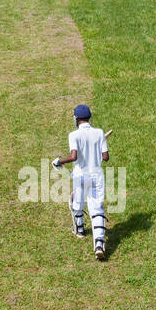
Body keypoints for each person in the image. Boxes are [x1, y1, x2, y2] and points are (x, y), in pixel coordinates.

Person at [51, 104, 110, 260]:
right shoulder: (99, 133)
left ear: (76, 119)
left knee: (76, 202)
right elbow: (105, 157)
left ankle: (80, 230)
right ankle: (98, 243)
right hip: (96, 176)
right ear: (90, 117)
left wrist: (58, 161)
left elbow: (74, 156)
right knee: (97, 208)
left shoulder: (74, 135)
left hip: (80, 176)